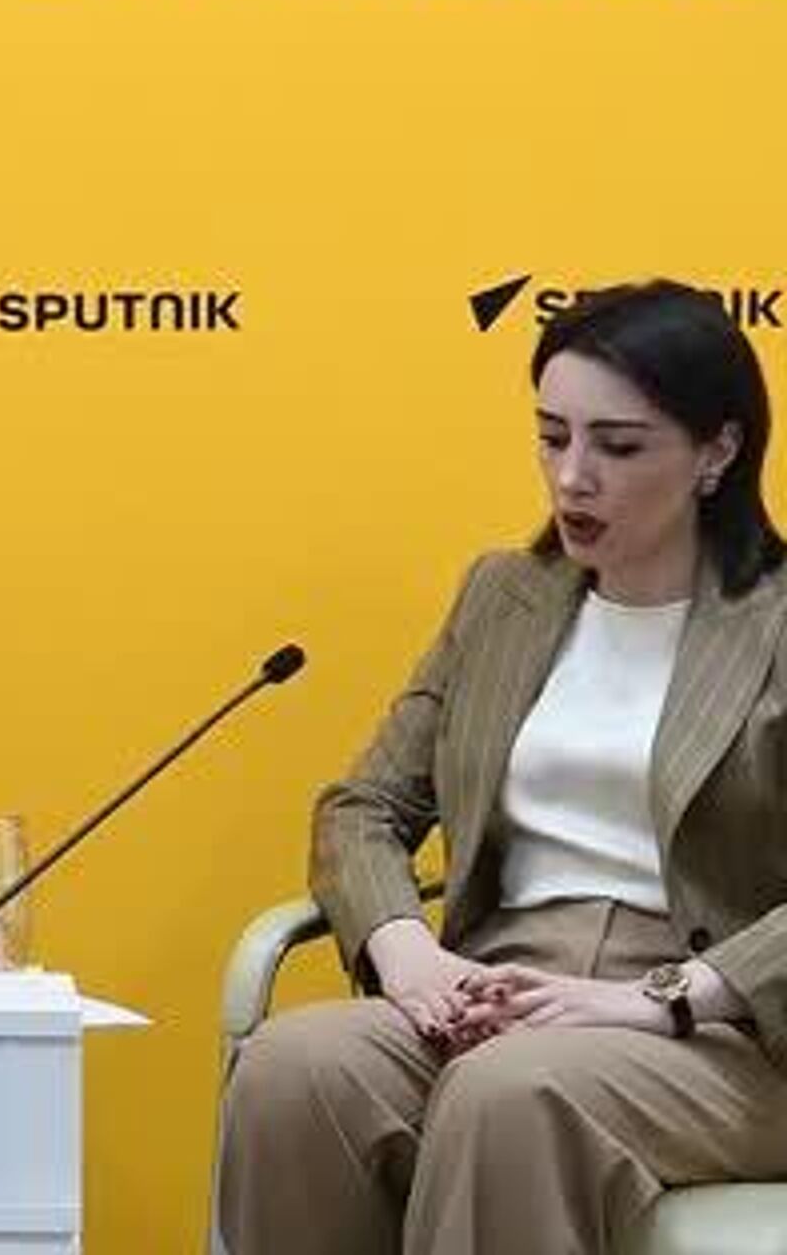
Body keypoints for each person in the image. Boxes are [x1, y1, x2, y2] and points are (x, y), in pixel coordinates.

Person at [217, 280, 787, 1254]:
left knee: (508, 1094)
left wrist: (662, 996)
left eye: (618, 446)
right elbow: (365, 806)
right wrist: (409, 953)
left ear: (717, 453)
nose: (573, 477)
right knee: (295, 1069)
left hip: (728, 1029)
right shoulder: (504, 598)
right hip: (501, 981)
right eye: (551, 437)